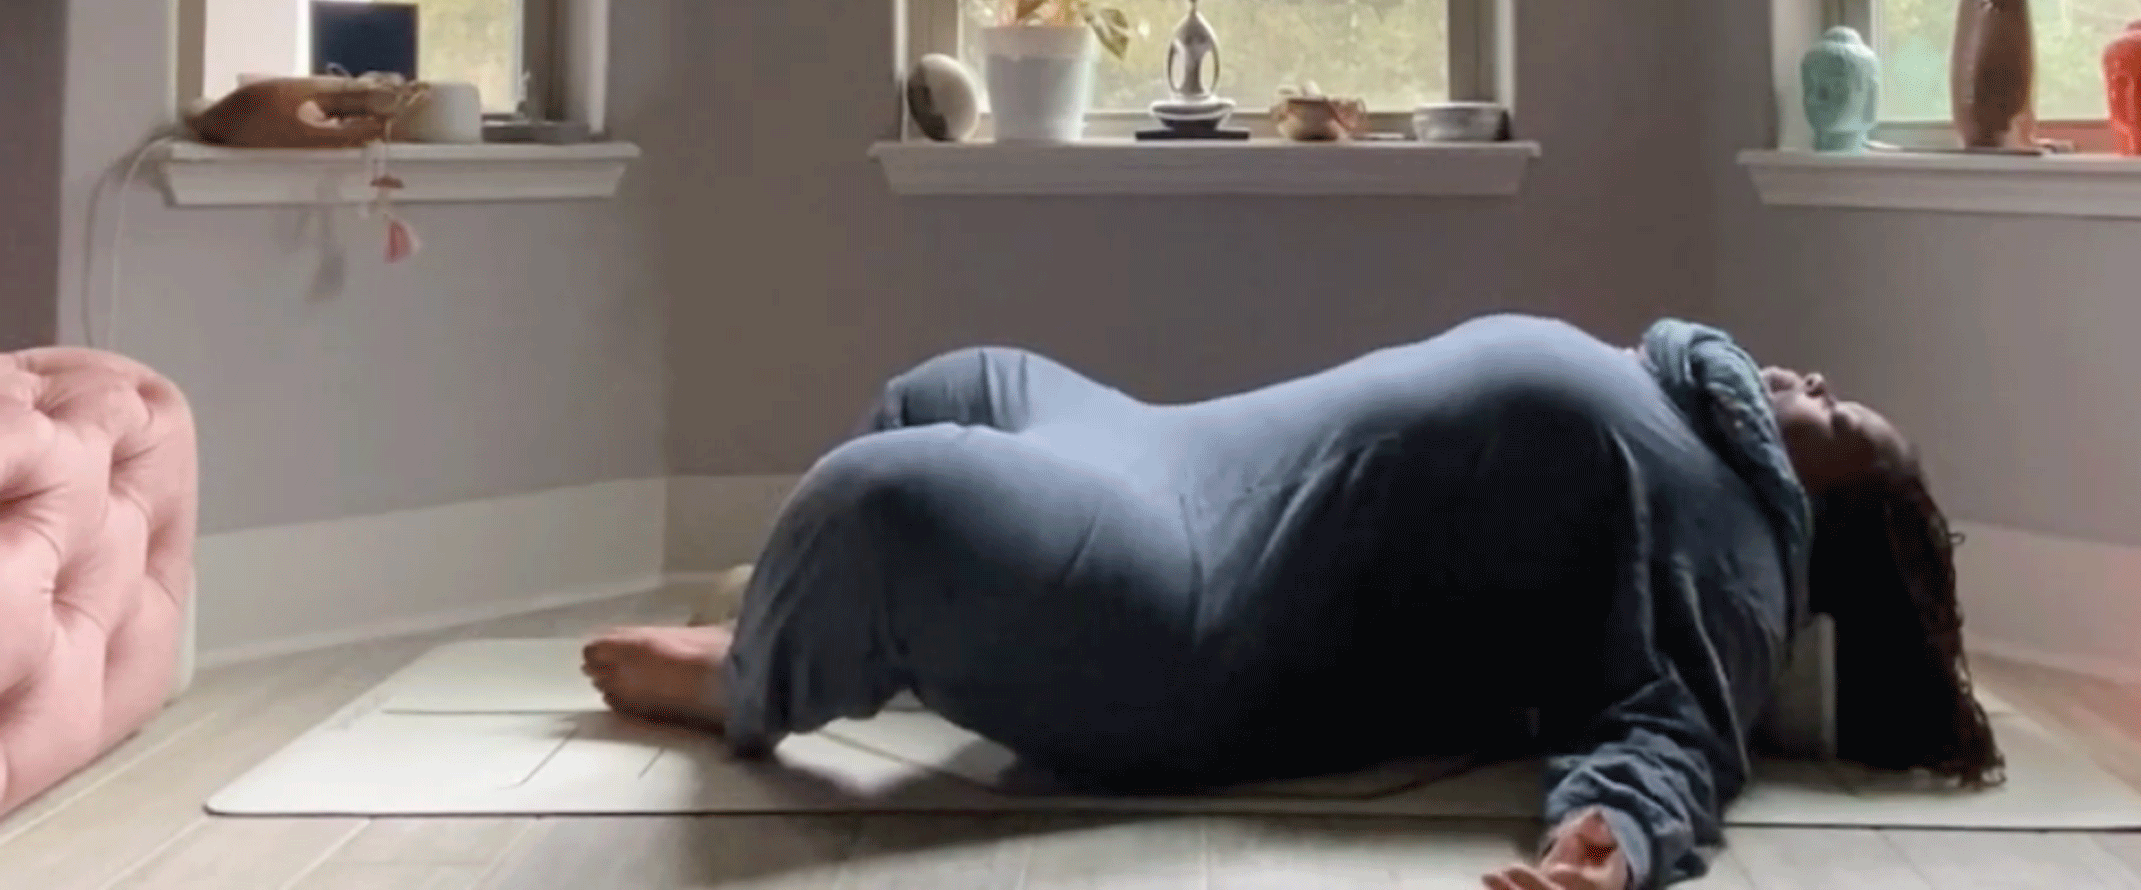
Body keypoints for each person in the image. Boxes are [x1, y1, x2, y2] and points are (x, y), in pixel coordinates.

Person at [583, 315, 2004, 890]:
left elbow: (1673, 727)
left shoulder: (1732, 551)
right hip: (1164, 451)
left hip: (1193, 607)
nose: (1809, 385)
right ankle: (836, 627)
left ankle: (750, 677)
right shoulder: (1683, 413)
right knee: (962, 384)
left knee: (885, 497)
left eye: (1837, 422)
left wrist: (1610, 842)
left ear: (1831, 516)